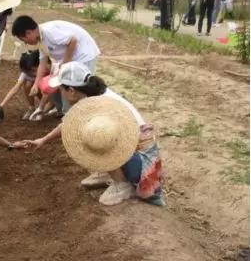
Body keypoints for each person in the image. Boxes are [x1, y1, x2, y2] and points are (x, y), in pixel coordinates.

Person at [19, 62, 164, 206]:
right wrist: (43, 140)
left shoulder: (99, 104)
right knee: (91, 131)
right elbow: (70, 123)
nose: (60, 94)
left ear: (71, 90)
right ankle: (110, 172)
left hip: (140, 163)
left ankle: (122, 184)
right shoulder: (92, 97)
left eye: (61, 90)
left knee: (96, 134)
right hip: (134, 151)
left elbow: (87, 129)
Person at [11, 15, 101, 117]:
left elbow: (73, 40)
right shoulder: (41, 39)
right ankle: (65, 114)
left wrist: (64, 65)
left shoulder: (49, 32)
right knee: (56, 85)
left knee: (78, 89)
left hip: (84, 56)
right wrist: (36, 84)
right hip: (70, 60)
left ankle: (79, 117)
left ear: (28, 33)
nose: (26, 43)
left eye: (24, 40)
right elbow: (42, 62)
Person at [0, 50, 40, 120]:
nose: (31, 74)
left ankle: (44, 107)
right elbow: (15, 89)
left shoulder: (44, 70)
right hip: (37, 90)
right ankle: (32, 108)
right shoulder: (26, 74)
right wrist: (2, 105)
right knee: (28, 84)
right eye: (26, 72)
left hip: (47, 94)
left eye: (33, 71)